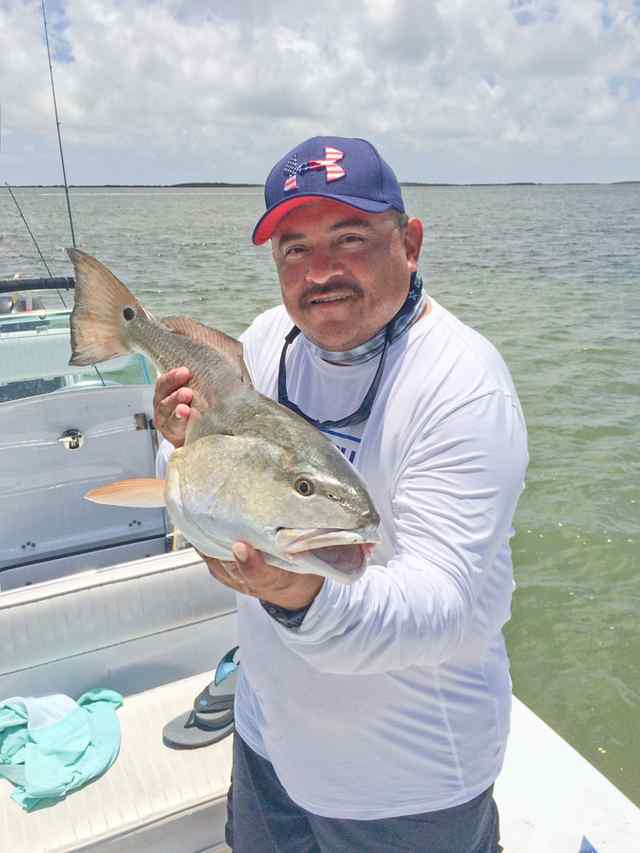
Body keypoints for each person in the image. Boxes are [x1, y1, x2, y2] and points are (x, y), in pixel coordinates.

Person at [154, 136, 528, 853]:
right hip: (269, 743)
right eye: (294, 249)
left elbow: (446, 601)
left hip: (407, 787)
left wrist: (300, 593)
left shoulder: (460, 384)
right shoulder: (267, 341)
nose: (320, 271)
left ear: (409, 243)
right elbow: (213, 473)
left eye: (349, 238)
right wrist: (180, 438)